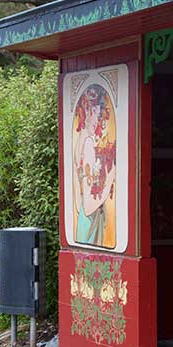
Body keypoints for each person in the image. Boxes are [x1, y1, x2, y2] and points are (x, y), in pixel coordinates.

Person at [74, 84, 116, 247]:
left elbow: (79, 202)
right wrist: (111, 177)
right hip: (91, 223)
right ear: (86, 111)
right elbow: (89, 206)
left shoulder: (80, 142)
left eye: (99, 114)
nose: (98, 120)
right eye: (95, 113)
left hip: (83, 223)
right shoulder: (88, 144)